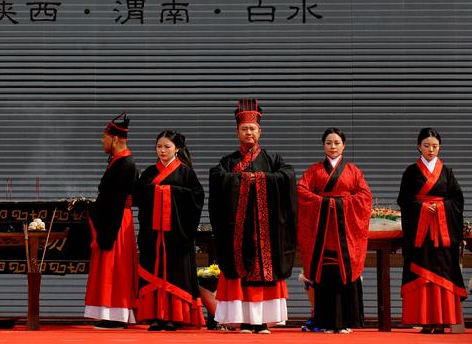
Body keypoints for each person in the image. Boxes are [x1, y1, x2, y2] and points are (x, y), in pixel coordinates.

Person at [208, 99, 297, 334]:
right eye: (244, 129)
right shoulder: (227, 162)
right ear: (237, 131)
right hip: (238, 229)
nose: (249, 132)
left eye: (252, 129)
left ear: (260, 131)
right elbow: (218, 179)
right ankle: (244, 320)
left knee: (263, 270)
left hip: (265, 231)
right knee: (239, 270)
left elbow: (287, 175)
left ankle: (261, 322)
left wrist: (258, 179)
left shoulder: (274, 160)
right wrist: (246, 180)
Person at [297, 128, 372, 333]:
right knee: (326, 276)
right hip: (323, 232)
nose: (333, 146)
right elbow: (301, 192)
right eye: (329, 142)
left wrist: (339, 205)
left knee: (343, 273)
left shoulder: (353, 171)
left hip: (345, 231)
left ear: (343, 145)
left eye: (337, 142)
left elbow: (365, 196)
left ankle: (345, 322)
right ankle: (325, 322)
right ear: (323, 145)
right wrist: (324, 203)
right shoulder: (313, 171)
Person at [397, 128, 467, 334]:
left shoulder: (447, 172)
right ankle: (424, 320)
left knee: (444, 270)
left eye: (434, 146)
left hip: (443, 232)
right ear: (419, 146)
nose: (430, 150)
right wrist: (421, 207)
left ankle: (443, 320)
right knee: (420, 270)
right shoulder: (411, 171)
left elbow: (457, 200)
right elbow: (404, 199)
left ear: (440, 147)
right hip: (419, 232)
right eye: (426, 146)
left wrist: (440, 208)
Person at [134, 130, 205, 331]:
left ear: (177, 149)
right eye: (159, 146)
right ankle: (155, 316)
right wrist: (157, 193)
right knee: (153, 269)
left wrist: (167, 193)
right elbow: (138, 196)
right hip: (153, 233)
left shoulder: (186, 172)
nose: (162, 150)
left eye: (167, 146)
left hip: (177, 233)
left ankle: (175, 316)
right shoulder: (149, 172)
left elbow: (197, 198)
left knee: (175, 272)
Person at [84, 112, 139, 328]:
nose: (102, 141)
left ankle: (116, 315)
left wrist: (105, 232)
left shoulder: (125, 163)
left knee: (116, 269)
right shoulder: (118, 161)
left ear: (115, 139)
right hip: (114, 218)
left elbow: (115, 199)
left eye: (104, 137)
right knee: (111, 268)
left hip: (116, 221)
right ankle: (110, 313)